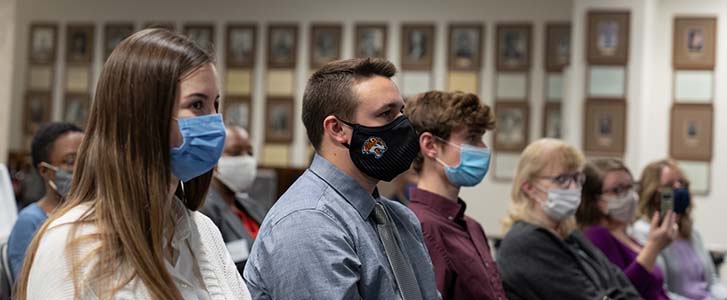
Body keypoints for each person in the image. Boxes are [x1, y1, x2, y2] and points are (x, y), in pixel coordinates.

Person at [14, 29, 251, 300]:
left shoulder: (204, 232)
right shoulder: (69, 245)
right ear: (143, 116)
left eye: (215, 105)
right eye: (197, 104)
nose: (214, 122)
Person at [244, 58, 439, 300]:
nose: (402, 126)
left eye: (402, 112)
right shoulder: (309, 222)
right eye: (386, 114)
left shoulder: (399, 218)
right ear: (337, 129)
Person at [497, 138, 641, 300]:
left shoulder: (570, 235)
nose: (574, 188)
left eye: (577, 178)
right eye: (561, 179)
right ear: (529, 188)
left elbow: (622, 284)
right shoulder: (526, 243)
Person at [405, 91, 505, 300]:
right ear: (430, 145)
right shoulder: (421, 228)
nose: (483, 148)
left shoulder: (471, 227)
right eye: (471, 138)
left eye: (481, 138)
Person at [576, 158, 676, 300]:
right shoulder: (597, 236)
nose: (630, 195)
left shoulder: (626, 234)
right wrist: (653, 247)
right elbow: (622, 292)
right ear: (595, 199)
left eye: (631, 187)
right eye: (618, 190)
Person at [632, 159, 727, 300]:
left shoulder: (692, 232)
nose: (678, 188)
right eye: (670, 185)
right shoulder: (644, 232)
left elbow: (711, 281)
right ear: (653, 194)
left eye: (682, 183)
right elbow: (660, 292)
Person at [7, 122, 83, 279]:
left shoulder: (88, 214)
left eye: (85, 159)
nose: (81, 168)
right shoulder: (30, 221)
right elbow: (24, 287)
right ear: (45, 171)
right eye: (70, 161)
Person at [201, 125, 267, 273]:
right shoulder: (204, 210)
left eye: (249, 152)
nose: (246, 159)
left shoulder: (252, 206)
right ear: (214, 158)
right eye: (235, 153)